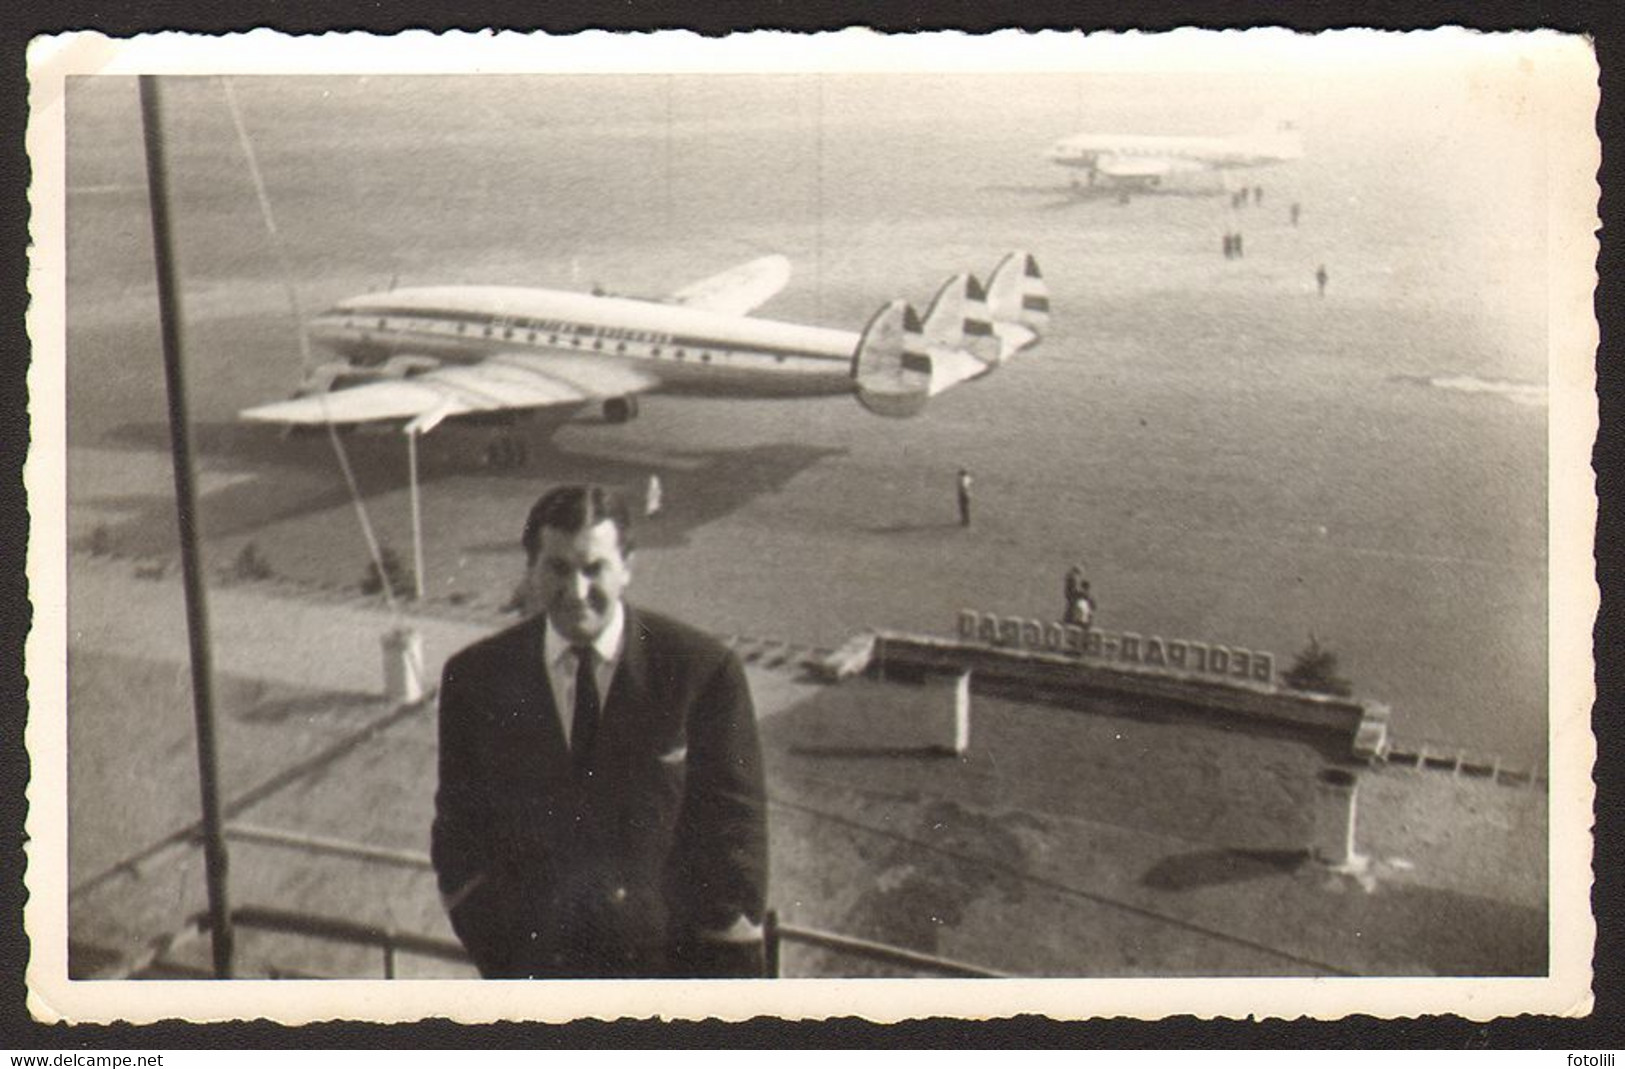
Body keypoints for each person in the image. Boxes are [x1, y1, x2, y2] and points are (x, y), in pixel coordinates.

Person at [432, 484, 769, 978]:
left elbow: (737, 841)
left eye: (594, 569)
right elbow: (459, 834)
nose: (576, 591)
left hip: (667, 984)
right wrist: (505, 951)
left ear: (627, 565)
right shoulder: (477, 678)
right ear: (531, 569)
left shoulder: (701, 672)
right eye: (558, 569)